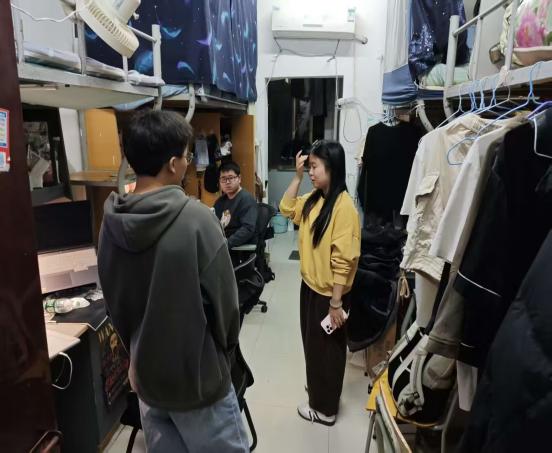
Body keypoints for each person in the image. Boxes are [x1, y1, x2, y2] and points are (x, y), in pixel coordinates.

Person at [97, 110, 249, 453]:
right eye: (186, 155)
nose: (187, 162)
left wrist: (138, 355)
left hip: (148, 379)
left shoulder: (111, 222)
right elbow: (227, 307)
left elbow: (114, 305)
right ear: (173, 164)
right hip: (198, 380)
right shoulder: (197, 219)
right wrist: (222, 359)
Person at [279, 140, 361, 426]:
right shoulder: (315, 198)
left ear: (332, 167)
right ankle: (320, 392)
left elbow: (344, 260)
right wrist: (297, 177)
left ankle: (325, 409)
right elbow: (286, 208)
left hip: (330, 295)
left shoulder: (344, 207)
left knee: (328, 351)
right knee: (315, 348)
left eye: (315, 167)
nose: (311, 172)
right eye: (309, 166)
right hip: (311, 287)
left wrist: (336, 303)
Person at [214, 161, 258, 249]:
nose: (227, 182)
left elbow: (248, 229)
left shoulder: (246, 199)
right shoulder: (220, 201)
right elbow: (214, 224)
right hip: (223, 244)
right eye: (223, 179)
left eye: (231, 178)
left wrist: (226, 244)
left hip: (238, 248)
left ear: (239, 178)